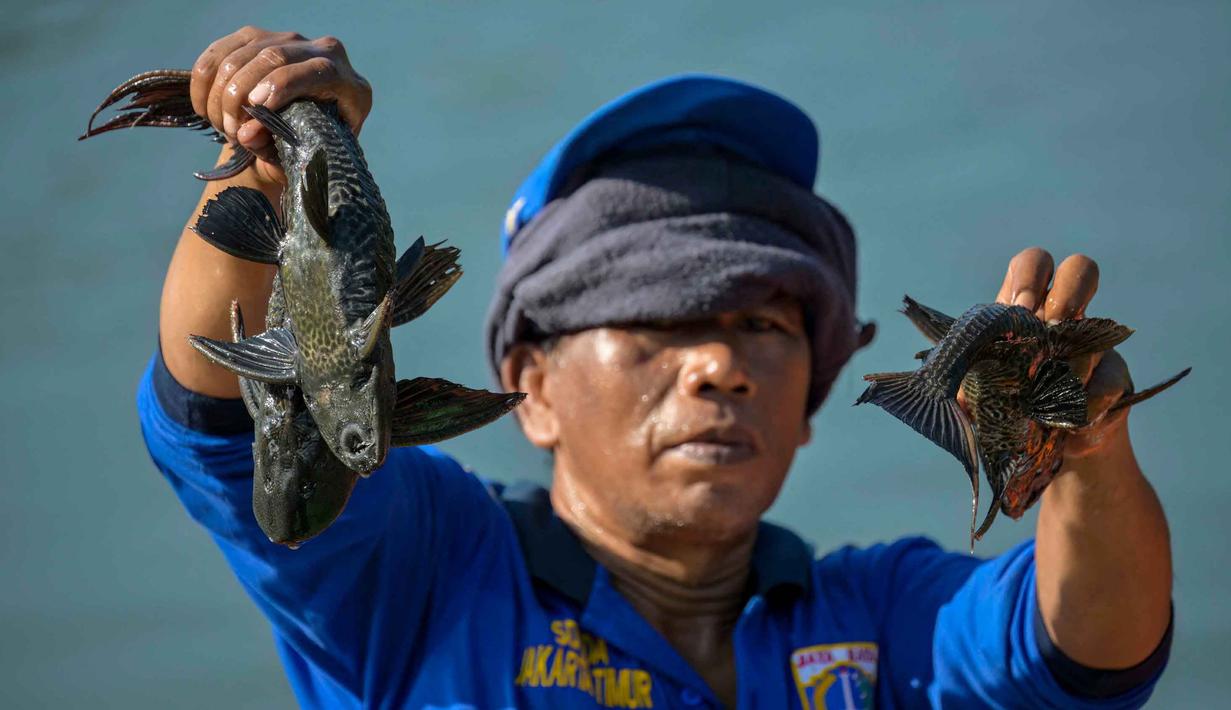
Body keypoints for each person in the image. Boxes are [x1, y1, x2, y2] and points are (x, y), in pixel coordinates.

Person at [141, 26, 1173, 709]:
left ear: (813, 394)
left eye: (768, 326)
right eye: (655, 325)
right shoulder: (429, 565)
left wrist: (1085, 452)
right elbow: (223, 417)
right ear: (530, 387)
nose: (719, 362)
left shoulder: (880, 615)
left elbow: (1085, 649)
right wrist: (271, 160)